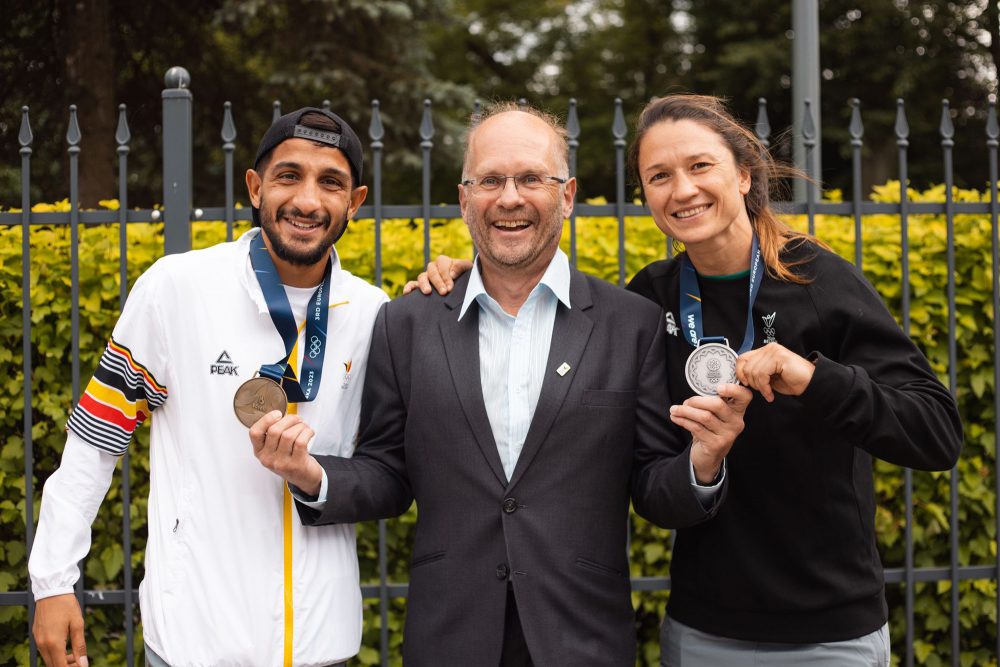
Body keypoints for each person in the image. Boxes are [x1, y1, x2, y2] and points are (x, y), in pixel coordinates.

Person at [410, 94, 963, 666]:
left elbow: (935, 432)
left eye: (701, 166)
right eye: (659, 176)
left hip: (828, 634)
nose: (682, 189)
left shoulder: (819, 282)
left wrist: (814, 377)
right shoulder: (649, 297)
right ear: (646, 195)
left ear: (744, 175)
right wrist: (468, 273)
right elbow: (645, 470)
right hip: (701, 629)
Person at [250, 101, 752, 666]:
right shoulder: (407, 321)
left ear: (566, 195)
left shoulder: (629, 323)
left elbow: (653, 486)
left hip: (582, 640)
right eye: (490, 180)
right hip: (449, 639)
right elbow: (388, 473)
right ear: (465, 200)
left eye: (532, 178)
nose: (509, 198)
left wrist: (702, 463)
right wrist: (310, 474)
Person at [28, 107, 387, 667]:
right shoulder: (177, 288)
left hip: (323, 644)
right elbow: (95, 442)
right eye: (288, 175)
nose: (308, 201)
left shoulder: (373, 313)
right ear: (255, 186)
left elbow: (387, 466)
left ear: (355, 202)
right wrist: (52, 580)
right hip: (193, 642)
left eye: (331, 182)